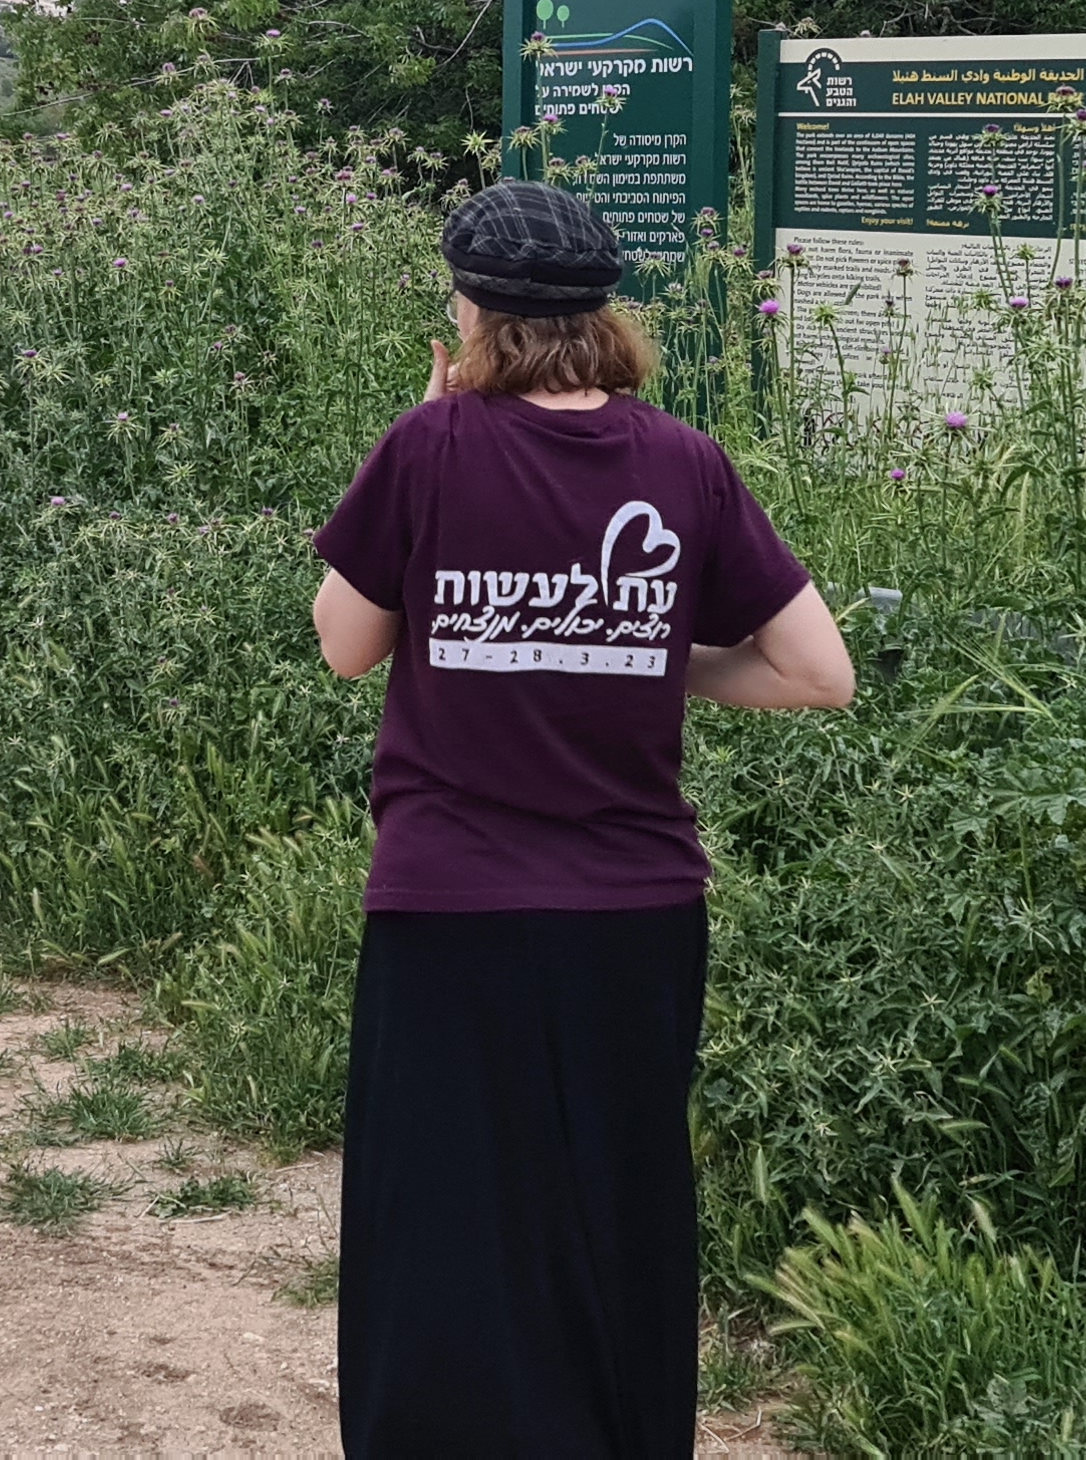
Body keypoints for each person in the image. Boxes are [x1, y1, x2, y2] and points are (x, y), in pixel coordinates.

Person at [308, 180, 855, 1459]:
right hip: (635, 907)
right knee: (617, 1201)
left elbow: (344, 643)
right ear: (605, 314)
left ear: (472, 310)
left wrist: (424, 432)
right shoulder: (684, 460)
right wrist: (646, 652)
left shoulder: (430, 445)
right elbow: (820, 673)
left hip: (450, 902)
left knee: (442, 1206)